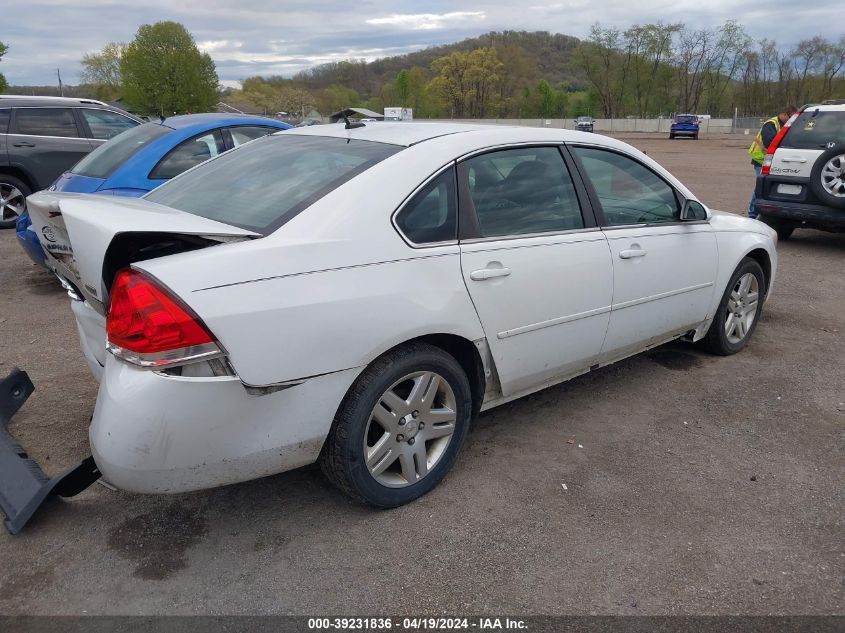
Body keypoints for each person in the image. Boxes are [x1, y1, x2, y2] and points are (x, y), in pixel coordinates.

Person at [747, 105, 797, 218]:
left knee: (767, 187)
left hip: (771, 160)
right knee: (760, 188)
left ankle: (760, 213)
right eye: (790, 117)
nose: (792, 121)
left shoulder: (783, 124)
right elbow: (770, 142)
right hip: (761, 159)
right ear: (784, 114)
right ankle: (752, 215)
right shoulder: (771, 124)